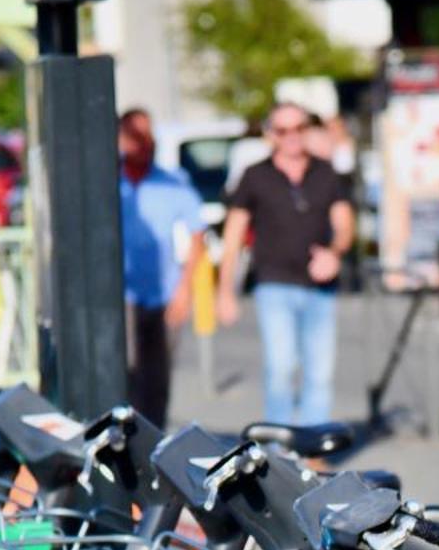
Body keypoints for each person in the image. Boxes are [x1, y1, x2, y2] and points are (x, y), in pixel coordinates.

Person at [217, 103, 354, 427]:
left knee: (319, 371)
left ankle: (311, 449)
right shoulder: (255, 176)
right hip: (273, 283)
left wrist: (334, 252)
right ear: (271, 135)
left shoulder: (327, 172)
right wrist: (225, 290)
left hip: (320, 288)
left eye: (299, 128)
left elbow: (346, 226)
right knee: (280, 368)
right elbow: (233, 236)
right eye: (283, 130)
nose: (292, 136)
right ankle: (280, 450)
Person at [117, 107, 208, 428]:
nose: (144, 143)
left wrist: (185, 290)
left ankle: (152, 442)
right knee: (124, 373)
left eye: (148, 135)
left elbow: (198, 236)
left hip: (164, 293)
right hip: (122, 294)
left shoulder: (172, 183)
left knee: (157, 377)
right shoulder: (108, 182)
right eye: (136, 136)